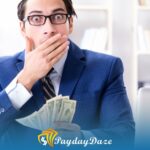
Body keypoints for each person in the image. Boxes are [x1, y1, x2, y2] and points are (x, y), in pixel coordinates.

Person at [0, 0, 135, 149]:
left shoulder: (106, 68)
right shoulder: (2, 70)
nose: (49, 29)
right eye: (36, 18)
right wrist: (26, 78)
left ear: (70, 23)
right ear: (22, 28)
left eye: (57, 17)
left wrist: (81, 138)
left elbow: (124, 135)